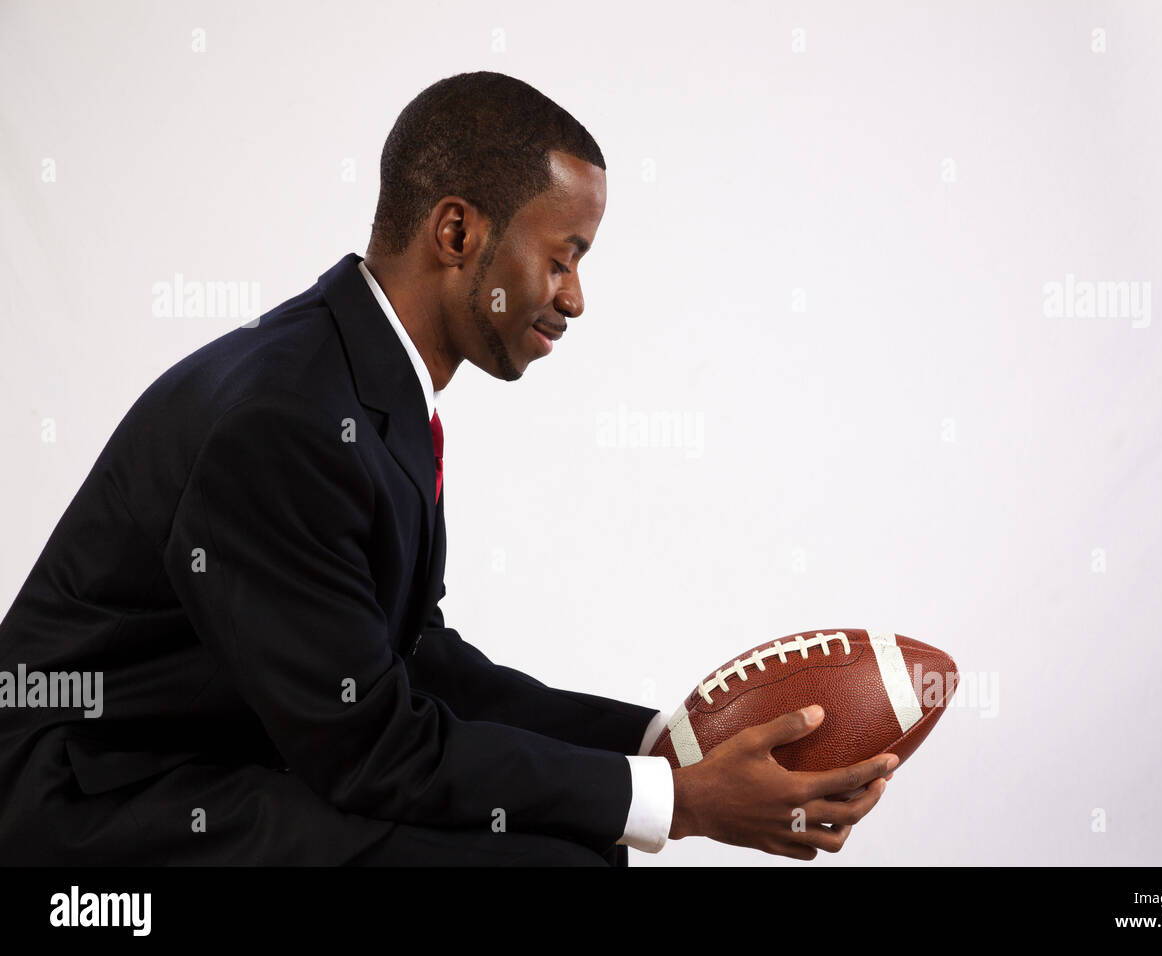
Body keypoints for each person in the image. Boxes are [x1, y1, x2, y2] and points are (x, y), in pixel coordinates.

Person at [0, 71, 893, 866]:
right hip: (88, 798)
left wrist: (661, 746)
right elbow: (370, 748)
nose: (577, 297)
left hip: (201, 757)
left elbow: (413, 659)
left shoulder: (359, 380)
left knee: (577, 835)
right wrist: (675, 803)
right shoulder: (290, 419)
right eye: (564, 255)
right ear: (459, 231)